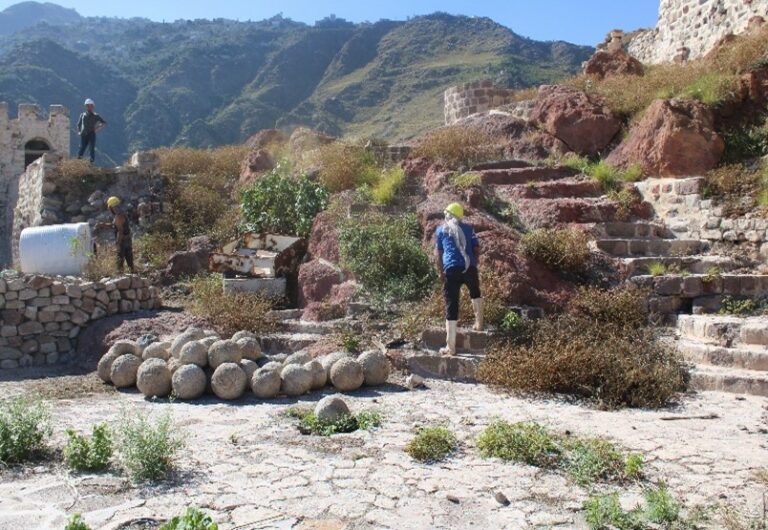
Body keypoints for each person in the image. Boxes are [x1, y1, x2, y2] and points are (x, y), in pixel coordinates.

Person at [434, 202, 483, 356]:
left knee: (452, 304)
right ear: (460, 216)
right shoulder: (469, 229)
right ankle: (479, 324)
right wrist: (474, 264)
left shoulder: (441, 230)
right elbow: (476, 248)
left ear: (447, 215)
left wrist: (441, 272)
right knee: (475, 292)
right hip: (469, 268)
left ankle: (451, 347)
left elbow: (438, 254)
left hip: (451, 269)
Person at [107, 196, 134, 273]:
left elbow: (120, 231)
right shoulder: (122, 213)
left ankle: (121, 278)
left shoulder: (118, 216)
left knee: (120, 261)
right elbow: (115, 225)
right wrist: (104, 225)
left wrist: (118, 244)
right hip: (128, 239)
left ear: (112, 207)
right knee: (130, 261)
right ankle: (133, 277)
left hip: (123, 241)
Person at [77, 98, 107, 163]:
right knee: (82, 149)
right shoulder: (82, 115)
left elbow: (104, 123)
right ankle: (78, 163)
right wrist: (79, 131)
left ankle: (91, 164)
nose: (89, 107)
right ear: (85, 106)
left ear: (93, 106)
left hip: (91, 134)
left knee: (91, 149)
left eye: (90, 106)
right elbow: (79, 124)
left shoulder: (96, 116)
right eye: (87, 105)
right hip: (83, 134)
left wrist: (98, 128)